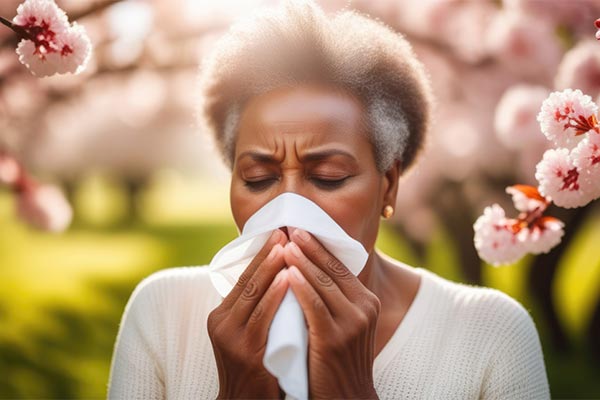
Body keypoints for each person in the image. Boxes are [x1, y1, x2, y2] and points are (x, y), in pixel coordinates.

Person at [107, 1, 550, 399]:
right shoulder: (164, 313)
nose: (289, 207)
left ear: (388, 186)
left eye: (328, 176)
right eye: (258, 178)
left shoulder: (491, 334)